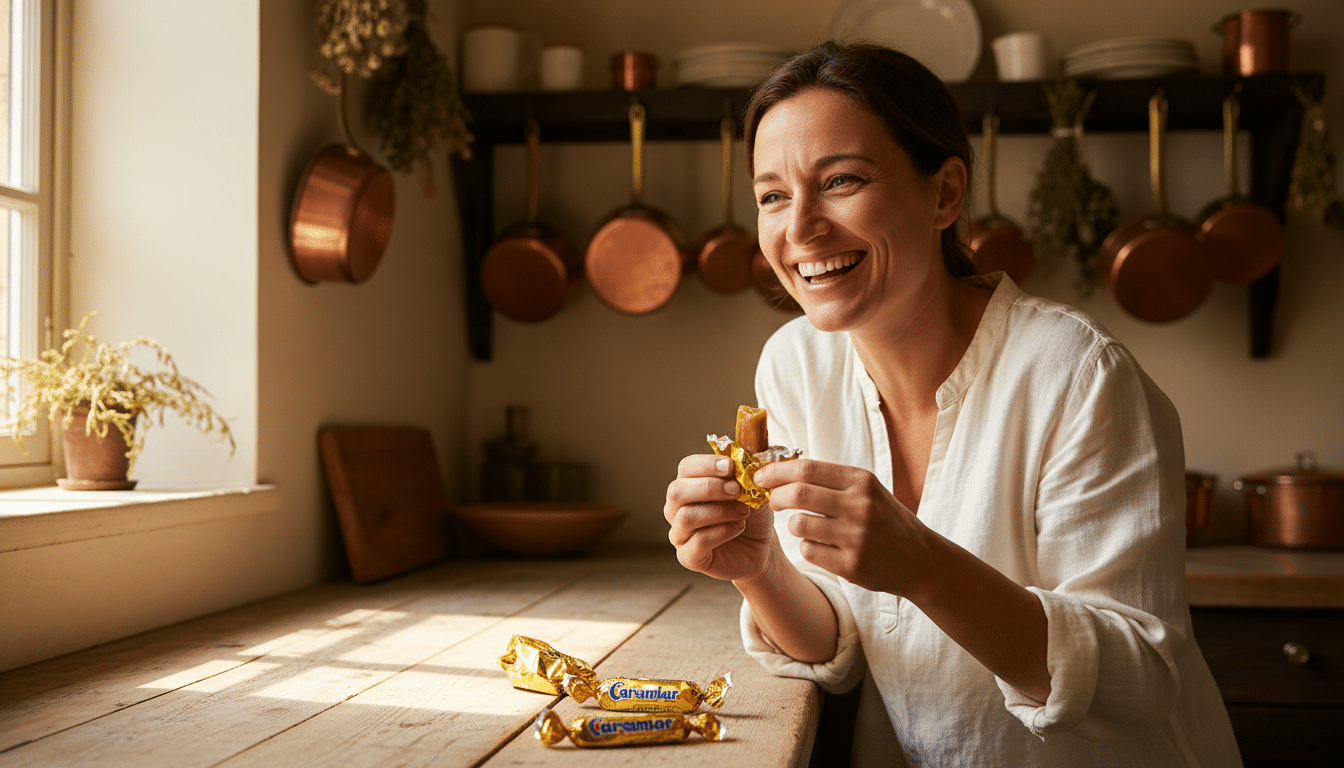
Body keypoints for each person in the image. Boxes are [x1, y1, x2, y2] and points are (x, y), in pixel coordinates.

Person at [663, 41, 1242, 767]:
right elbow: (836, 644)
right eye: (772, 195)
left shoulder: (1077, 375)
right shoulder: (796, 364)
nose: (799, 228)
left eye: (841, 180)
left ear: (944, 194)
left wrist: (926, 567)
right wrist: (756, 567)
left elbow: (1139, 683)